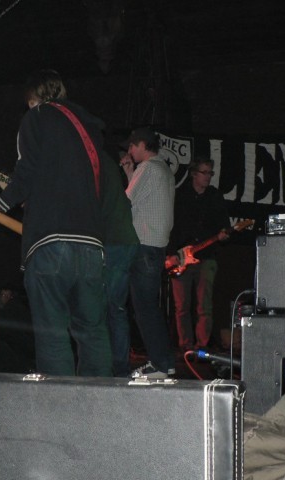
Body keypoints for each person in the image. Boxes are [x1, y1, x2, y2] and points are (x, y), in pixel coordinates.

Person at [0, 69, 112, 377]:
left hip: (51, 243)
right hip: (92, 246)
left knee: (52, 334)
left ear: (34, 97)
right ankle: (101, 399)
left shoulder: (37, 117)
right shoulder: (90, 130)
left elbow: (26, 171)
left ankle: (58, 403)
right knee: (93, 332)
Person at [120, 126, 175, 378]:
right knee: (149, 307)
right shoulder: (162, 169)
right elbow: (143, 199)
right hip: (155, 246)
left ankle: (160, 365)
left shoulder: (148, 168)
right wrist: (130, 173)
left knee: (144, 309)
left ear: (142, 145)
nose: (130, 151)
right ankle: (165, 362)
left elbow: (125, 202)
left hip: (144, 246)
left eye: (132, 146)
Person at [165, 158, 230, 352]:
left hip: (206, 257)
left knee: (204, 306)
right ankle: (185, 347)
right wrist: (171, 253)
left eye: (210, 173)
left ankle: (202, 347)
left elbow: (224, 226)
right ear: (194, 173)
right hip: (181, 257)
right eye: (204, 172)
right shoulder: (179, 196)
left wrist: (224, 235)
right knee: (181, 306)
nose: (208, 176)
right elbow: (170, 227)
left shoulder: (215, 197)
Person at [103, 150, 139, 377]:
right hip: (123, 244)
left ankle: (117, 367)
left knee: (111, 308)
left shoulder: (100, 176)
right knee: (114, 308)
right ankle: (118, 366)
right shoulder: (112, 179)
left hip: (116, 244)